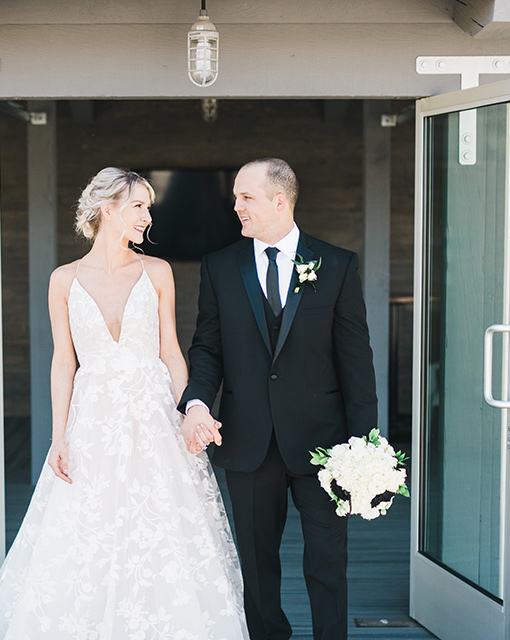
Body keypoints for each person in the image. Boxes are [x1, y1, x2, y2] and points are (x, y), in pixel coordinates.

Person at [0, 168, 249, 640]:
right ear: (108, 210)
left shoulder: (157, 271)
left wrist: (191, 410)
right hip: (93, 423)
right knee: (88, 531)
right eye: (139, 206)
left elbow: (170, 351)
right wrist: (58, 436)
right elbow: (63, 361)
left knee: (159, 532)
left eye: (148, 206)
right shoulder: (63, 280)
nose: (148, 216)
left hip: (153, 420)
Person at [179, 158, 377, 640]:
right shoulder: (220, 266)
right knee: (257, 569)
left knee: (327, 564)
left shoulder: (337, 264)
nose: (236, 206)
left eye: (245, 197)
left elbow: (356, 361)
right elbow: (208, 348)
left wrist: (363, 448)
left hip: (324, 446)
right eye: (235, 197)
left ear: (280, 200)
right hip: (247, 443)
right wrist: (197, 402)